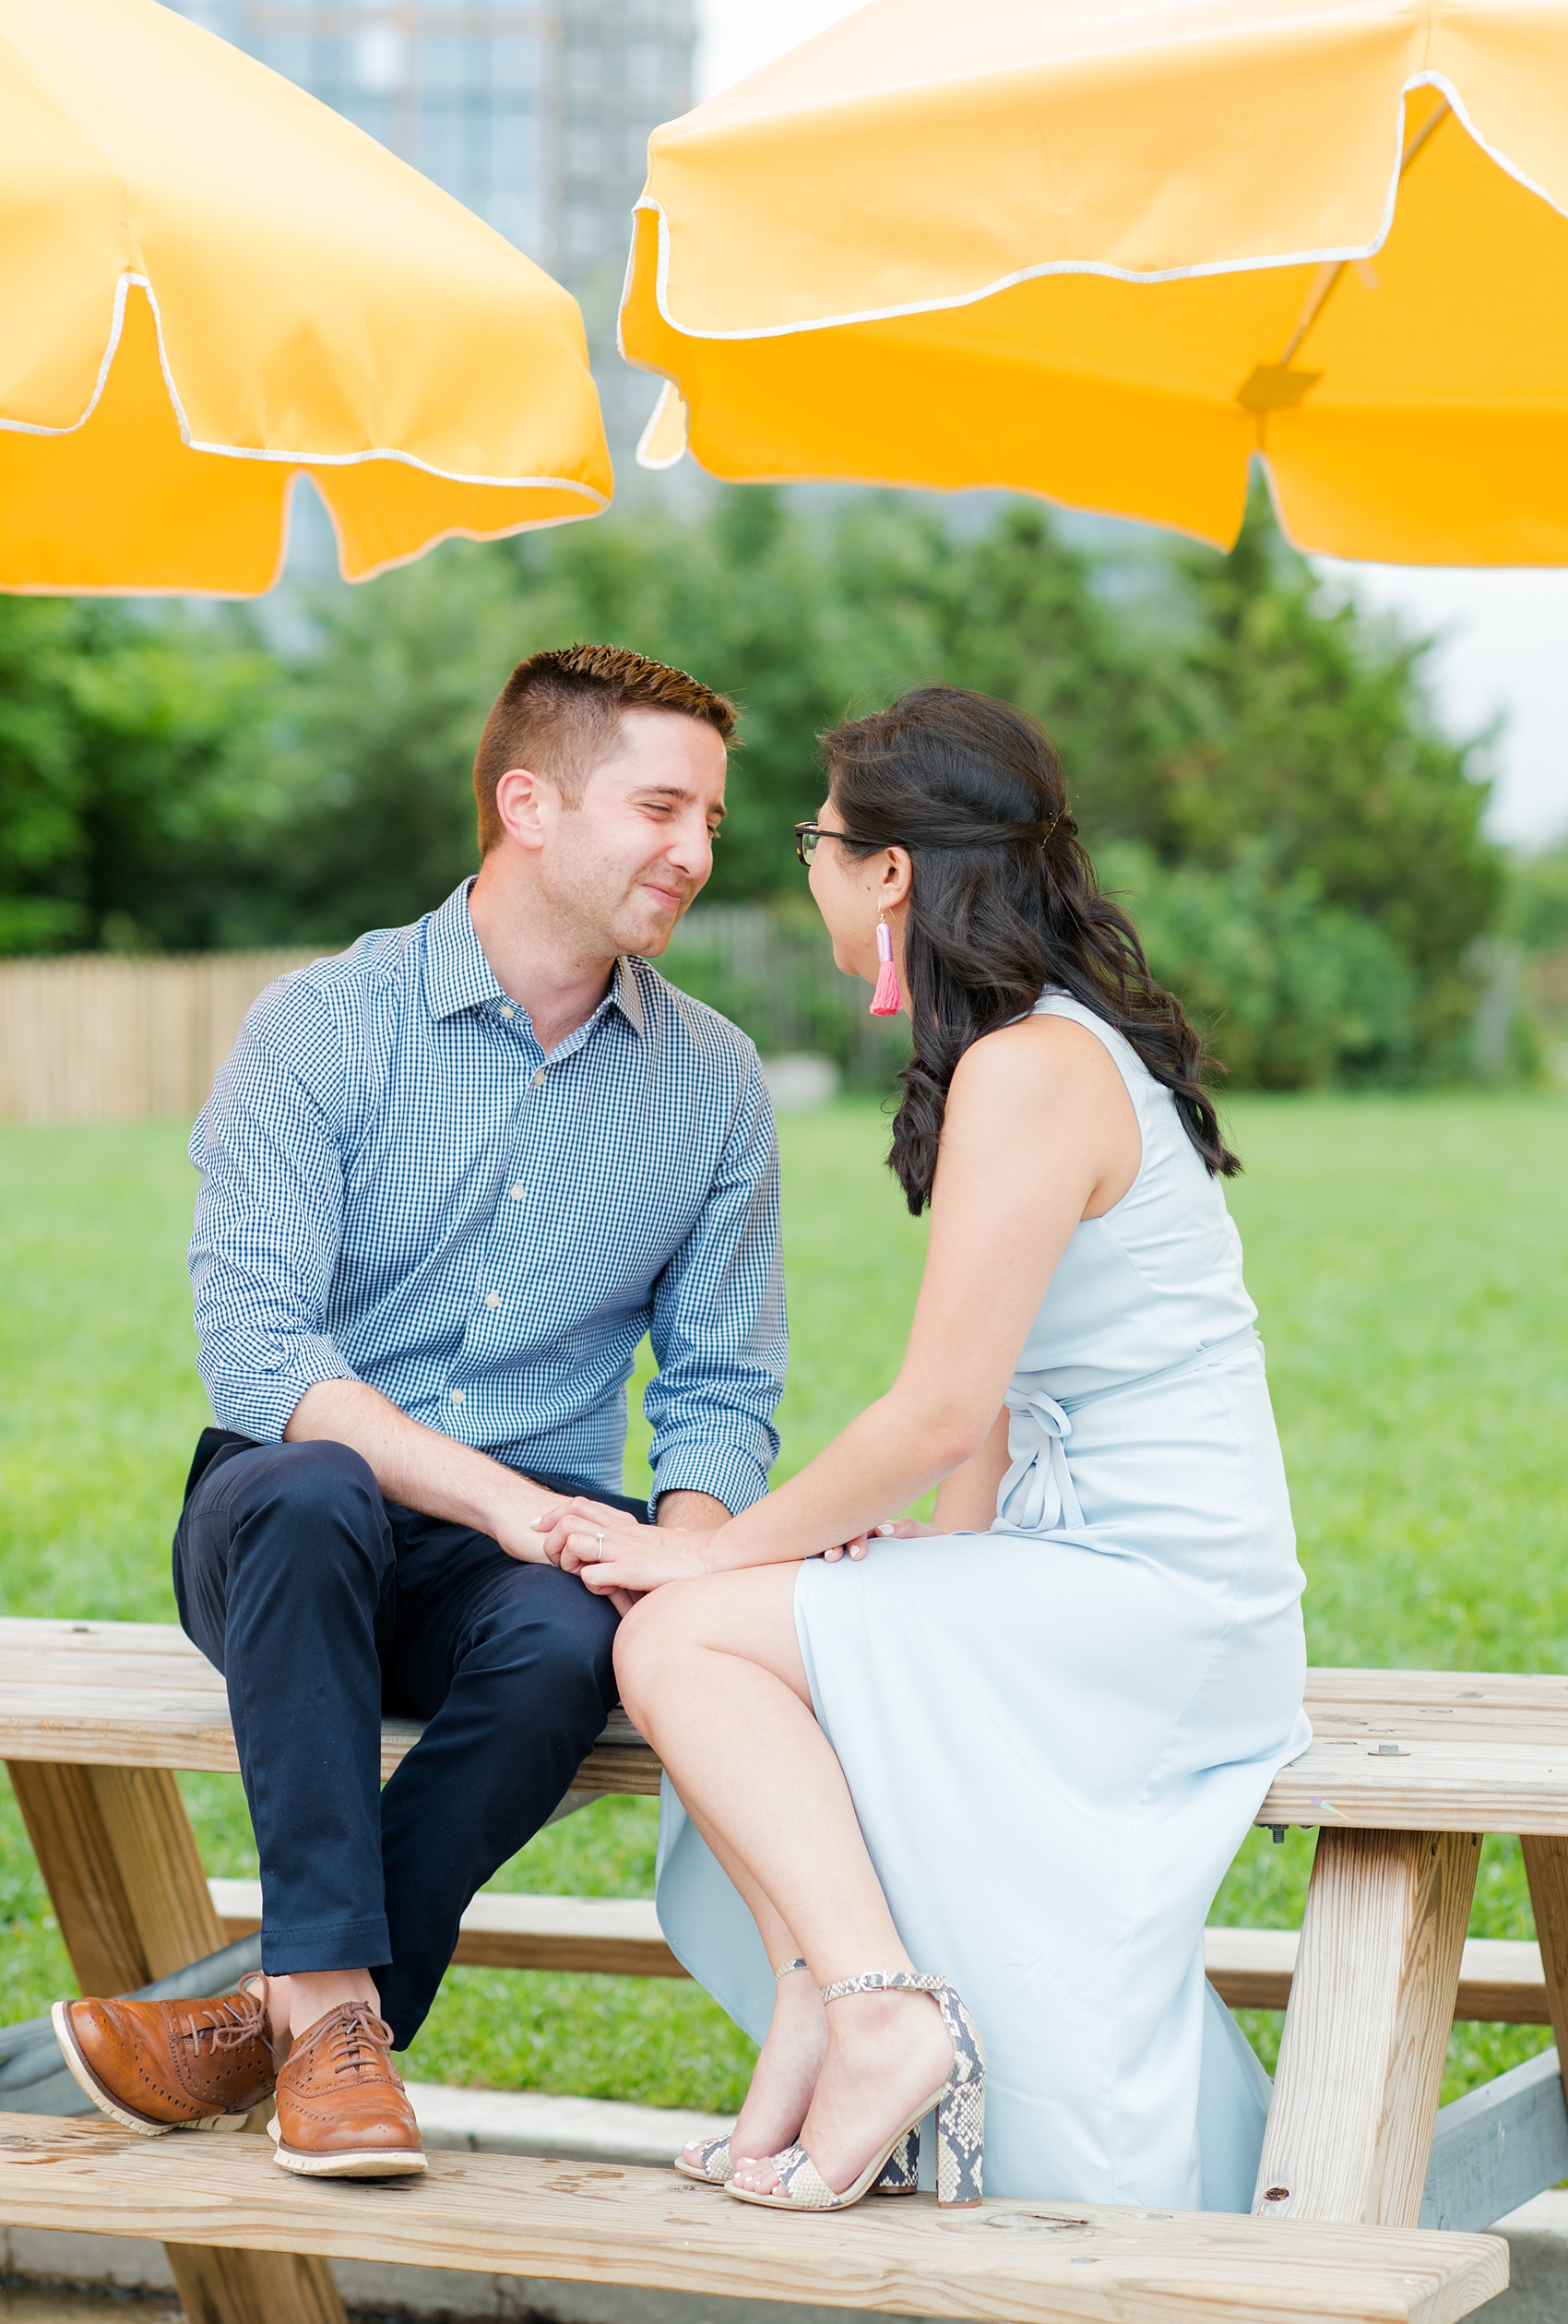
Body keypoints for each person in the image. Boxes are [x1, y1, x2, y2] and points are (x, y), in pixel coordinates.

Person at [535, 686, 1311, 2216]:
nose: (805, 865)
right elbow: (1006, 1390)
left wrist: (707, 1547)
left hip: (1154, 1603)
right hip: (1115, 1576)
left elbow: (938, 1405)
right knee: (707, 1635)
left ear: (890, 872)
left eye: (819, 839)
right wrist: (954, 1556)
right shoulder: (1037, 1048)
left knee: (682, 1639)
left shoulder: (1030, 1067)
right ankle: (835, 1993)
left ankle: (873, 2008)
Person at [52, 645, 786, 2179]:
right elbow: (262, 1345)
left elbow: (720, 1384)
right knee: (319, 1486)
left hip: (513, 1568)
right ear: (529, 800)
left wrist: (681, 1563)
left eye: (712, 818)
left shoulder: (713, 1086)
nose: (696, 853)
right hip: (283, 1528)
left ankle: (290, 2020)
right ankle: (329, 2010)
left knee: (575, 1638)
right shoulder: (321, 1024)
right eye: (661, 807)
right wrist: (501, 1496)